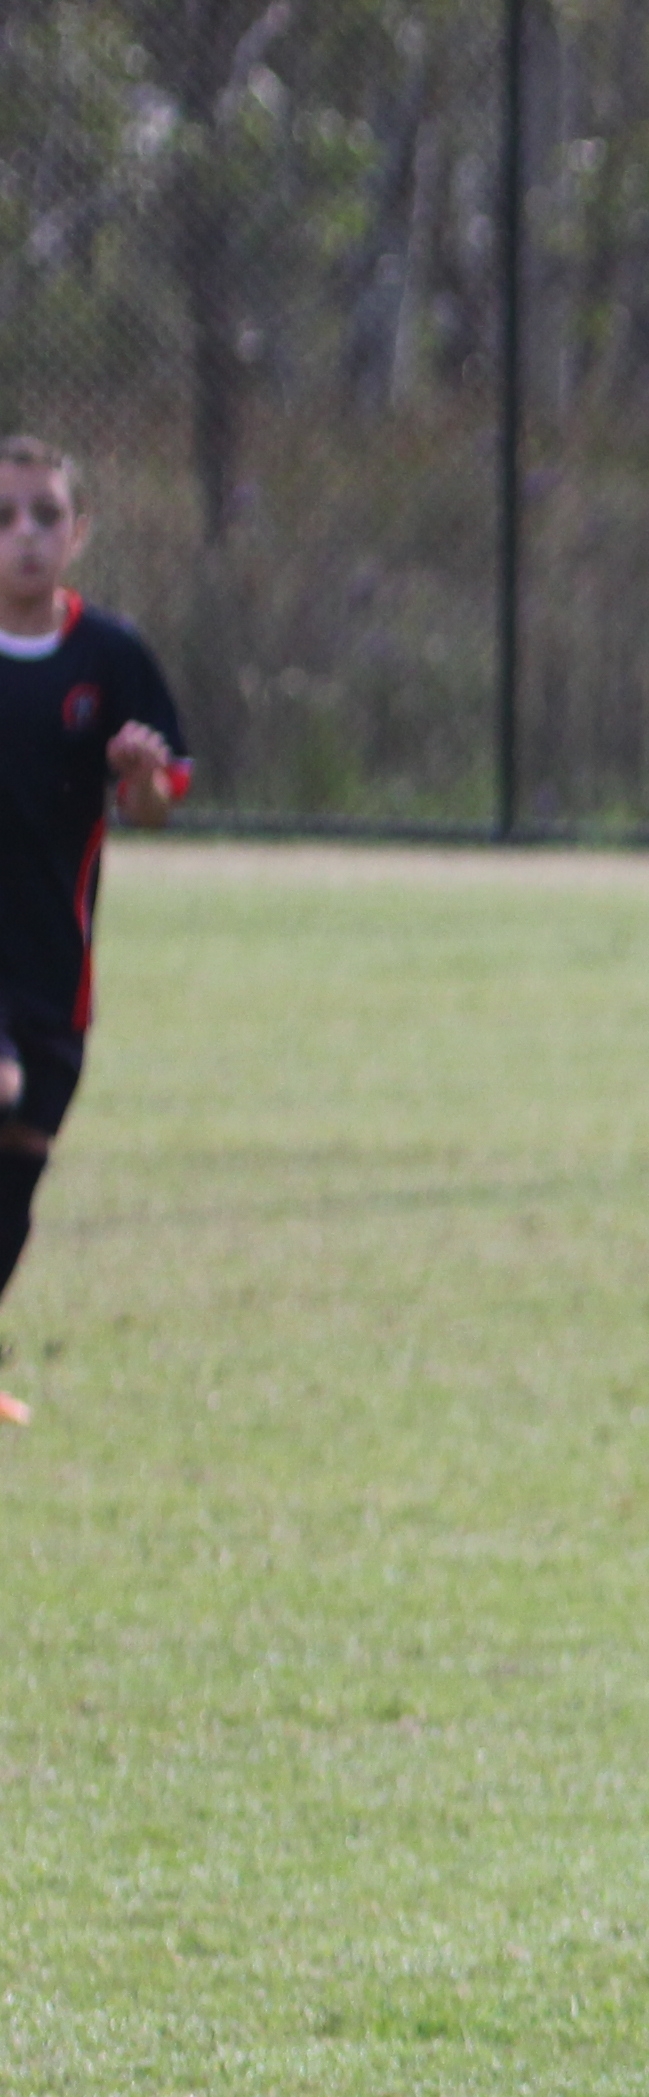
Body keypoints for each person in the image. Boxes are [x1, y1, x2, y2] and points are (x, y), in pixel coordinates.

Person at [0, 434, 191, 1433]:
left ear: (78, 533)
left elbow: (160, 805)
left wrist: (140, 778)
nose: (24, 536)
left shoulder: (110, 658)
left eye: (44, 515)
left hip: (53, 968)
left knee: (21, 1160)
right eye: (4, 517)